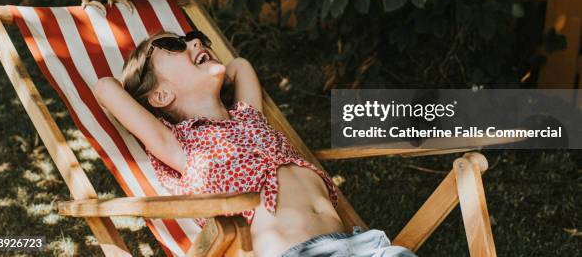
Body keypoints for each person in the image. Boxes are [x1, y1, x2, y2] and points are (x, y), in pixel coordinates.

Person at [93, 30, 416, 257]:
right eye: (173, 45)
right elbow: (106, 88)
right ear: (161, 95)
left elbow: (240, 65)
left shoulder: (249, 115)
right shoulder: (181, 146)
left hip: (362, 245)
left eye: (194, 38)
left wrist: (208, 65)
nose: (192, 41)